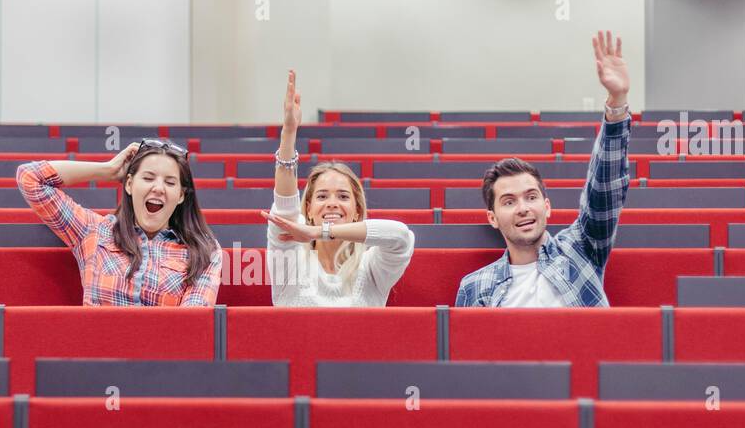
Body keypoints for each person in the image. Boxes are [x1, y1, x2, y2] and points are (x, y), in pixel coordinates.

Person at [455, 31, 632, 308]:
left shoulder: (580, 250)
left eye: (531, 197)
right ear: (492, 217)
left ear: (547, 206)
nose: (523, 208)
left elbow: (604, 190)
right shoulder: (474, 287)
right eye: (509, 201)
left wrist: (617, 102)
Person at [262, 70, 415, 306]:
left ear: (356, 211)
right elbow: (284, 211)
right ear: (309, 210)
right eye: (322, 196)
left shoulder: (371, 267)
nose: (332, 202)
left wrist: (322, 231)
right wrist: (289, 133)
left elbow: (401, 237)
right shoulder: (292, 265)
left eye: (343, 196)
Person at [16, 139, 222, 306]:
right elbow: (30, 178)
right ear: (130, 185)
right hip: (95, 352)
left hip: (161, 355)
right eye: (148, 178)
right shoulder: (94, 231)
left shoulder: (204, 250)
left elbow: (191, 325)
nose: (158, 188)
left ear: (180, 196)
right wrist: (108, 170)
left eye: (169, 182)